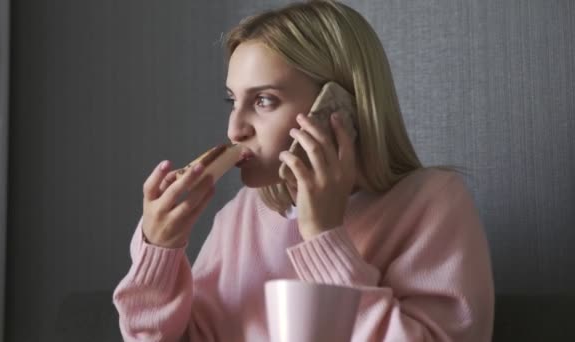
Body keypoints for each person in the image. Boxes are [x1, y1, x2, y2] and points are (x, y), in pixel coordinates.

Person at [112, 0, 495, 341]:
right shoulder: (242, 215)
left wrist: (324, 238)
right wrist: (158, 253)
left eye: (263, 100)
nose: (234, 129)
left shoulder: (432, 203)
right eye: (233, 99)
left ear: (337, 107)